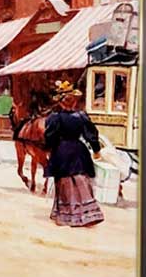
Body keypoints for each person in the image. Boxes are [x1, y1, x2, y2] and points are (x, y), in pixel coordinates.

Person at [45, 87, 105, 227]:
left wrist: (49, 149)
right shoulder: (82, 117)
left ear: (61, 103)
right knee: (81, 178)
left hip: (62, 151)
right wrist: (96, 149)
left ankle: (67, 215)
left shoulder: (55, 118)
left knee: (64, 181)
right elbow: (91, 134)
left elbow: (49, 136)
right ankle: (88, 214)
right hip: (78, 150)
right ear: (74, 103)